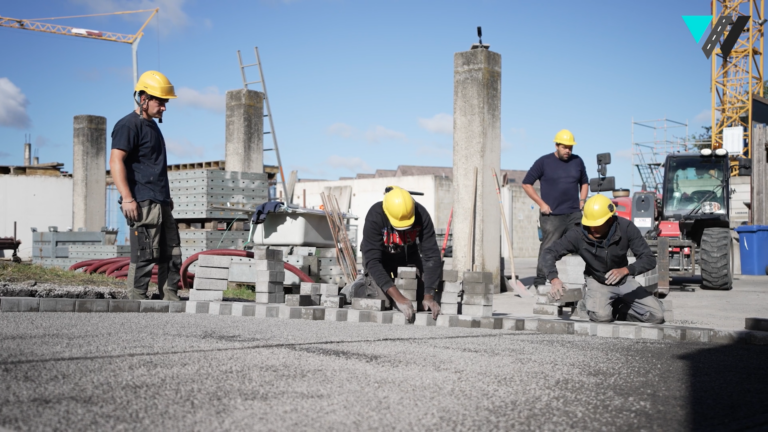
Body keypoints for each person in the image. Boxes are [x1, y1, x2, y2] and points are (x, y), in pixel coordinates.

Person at [109, 70, 181, 301]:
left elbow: (154, 166)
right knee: (145, 254)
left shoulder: (153, 126)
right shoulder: (128, 125)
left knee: (172, 254)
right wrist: (128, 198)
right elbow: (115, 161)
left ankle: (169, 298)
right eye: (160, 102)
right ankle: (136, 301)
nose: (164, 107)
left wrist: (166, 198)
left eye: (165, 102)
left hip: (160, 201)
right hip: (142, 201)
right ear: (144, 99)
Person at [540, 194, 664, 324]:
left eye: (598, 224)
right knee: (602, 317)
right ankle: (587, 303)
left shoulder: (626, 228)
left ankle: (616, 308)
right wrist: (554, 279)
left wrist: (627, 270)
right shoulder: (577, 234)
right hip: (597, 280)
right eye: (590, 224)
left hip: (624, 280)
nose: (592, 229)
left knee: (657, 316)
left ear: (610, 220)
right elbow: (548, 252)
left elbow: (649, 259)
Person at [356, 186, 442, 321]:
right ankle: (357, 287)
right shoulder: (375, 215)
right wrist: (399, 298)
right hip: (380, 260)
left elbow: (431, 256)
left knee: (418, 302)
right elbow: (373, 261)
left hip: (407, 256)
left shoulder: (421, 214)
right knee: (384, 302)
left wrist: (429, 296)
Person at [522, 129, 589, 288]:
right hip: (552, 215)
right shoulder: (544, 162)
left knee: (582, 243)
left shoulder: (577, 161)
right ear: (557, 145)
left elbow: (584, 182)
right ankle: (540, 280)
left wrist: (582, 200)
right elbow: (526, 183)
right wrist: (541, 204)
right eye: (564, 147)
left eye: (570, 148)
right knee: (548, 246)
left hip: (573, 213)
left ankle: (585, 278)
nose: (568, 151)